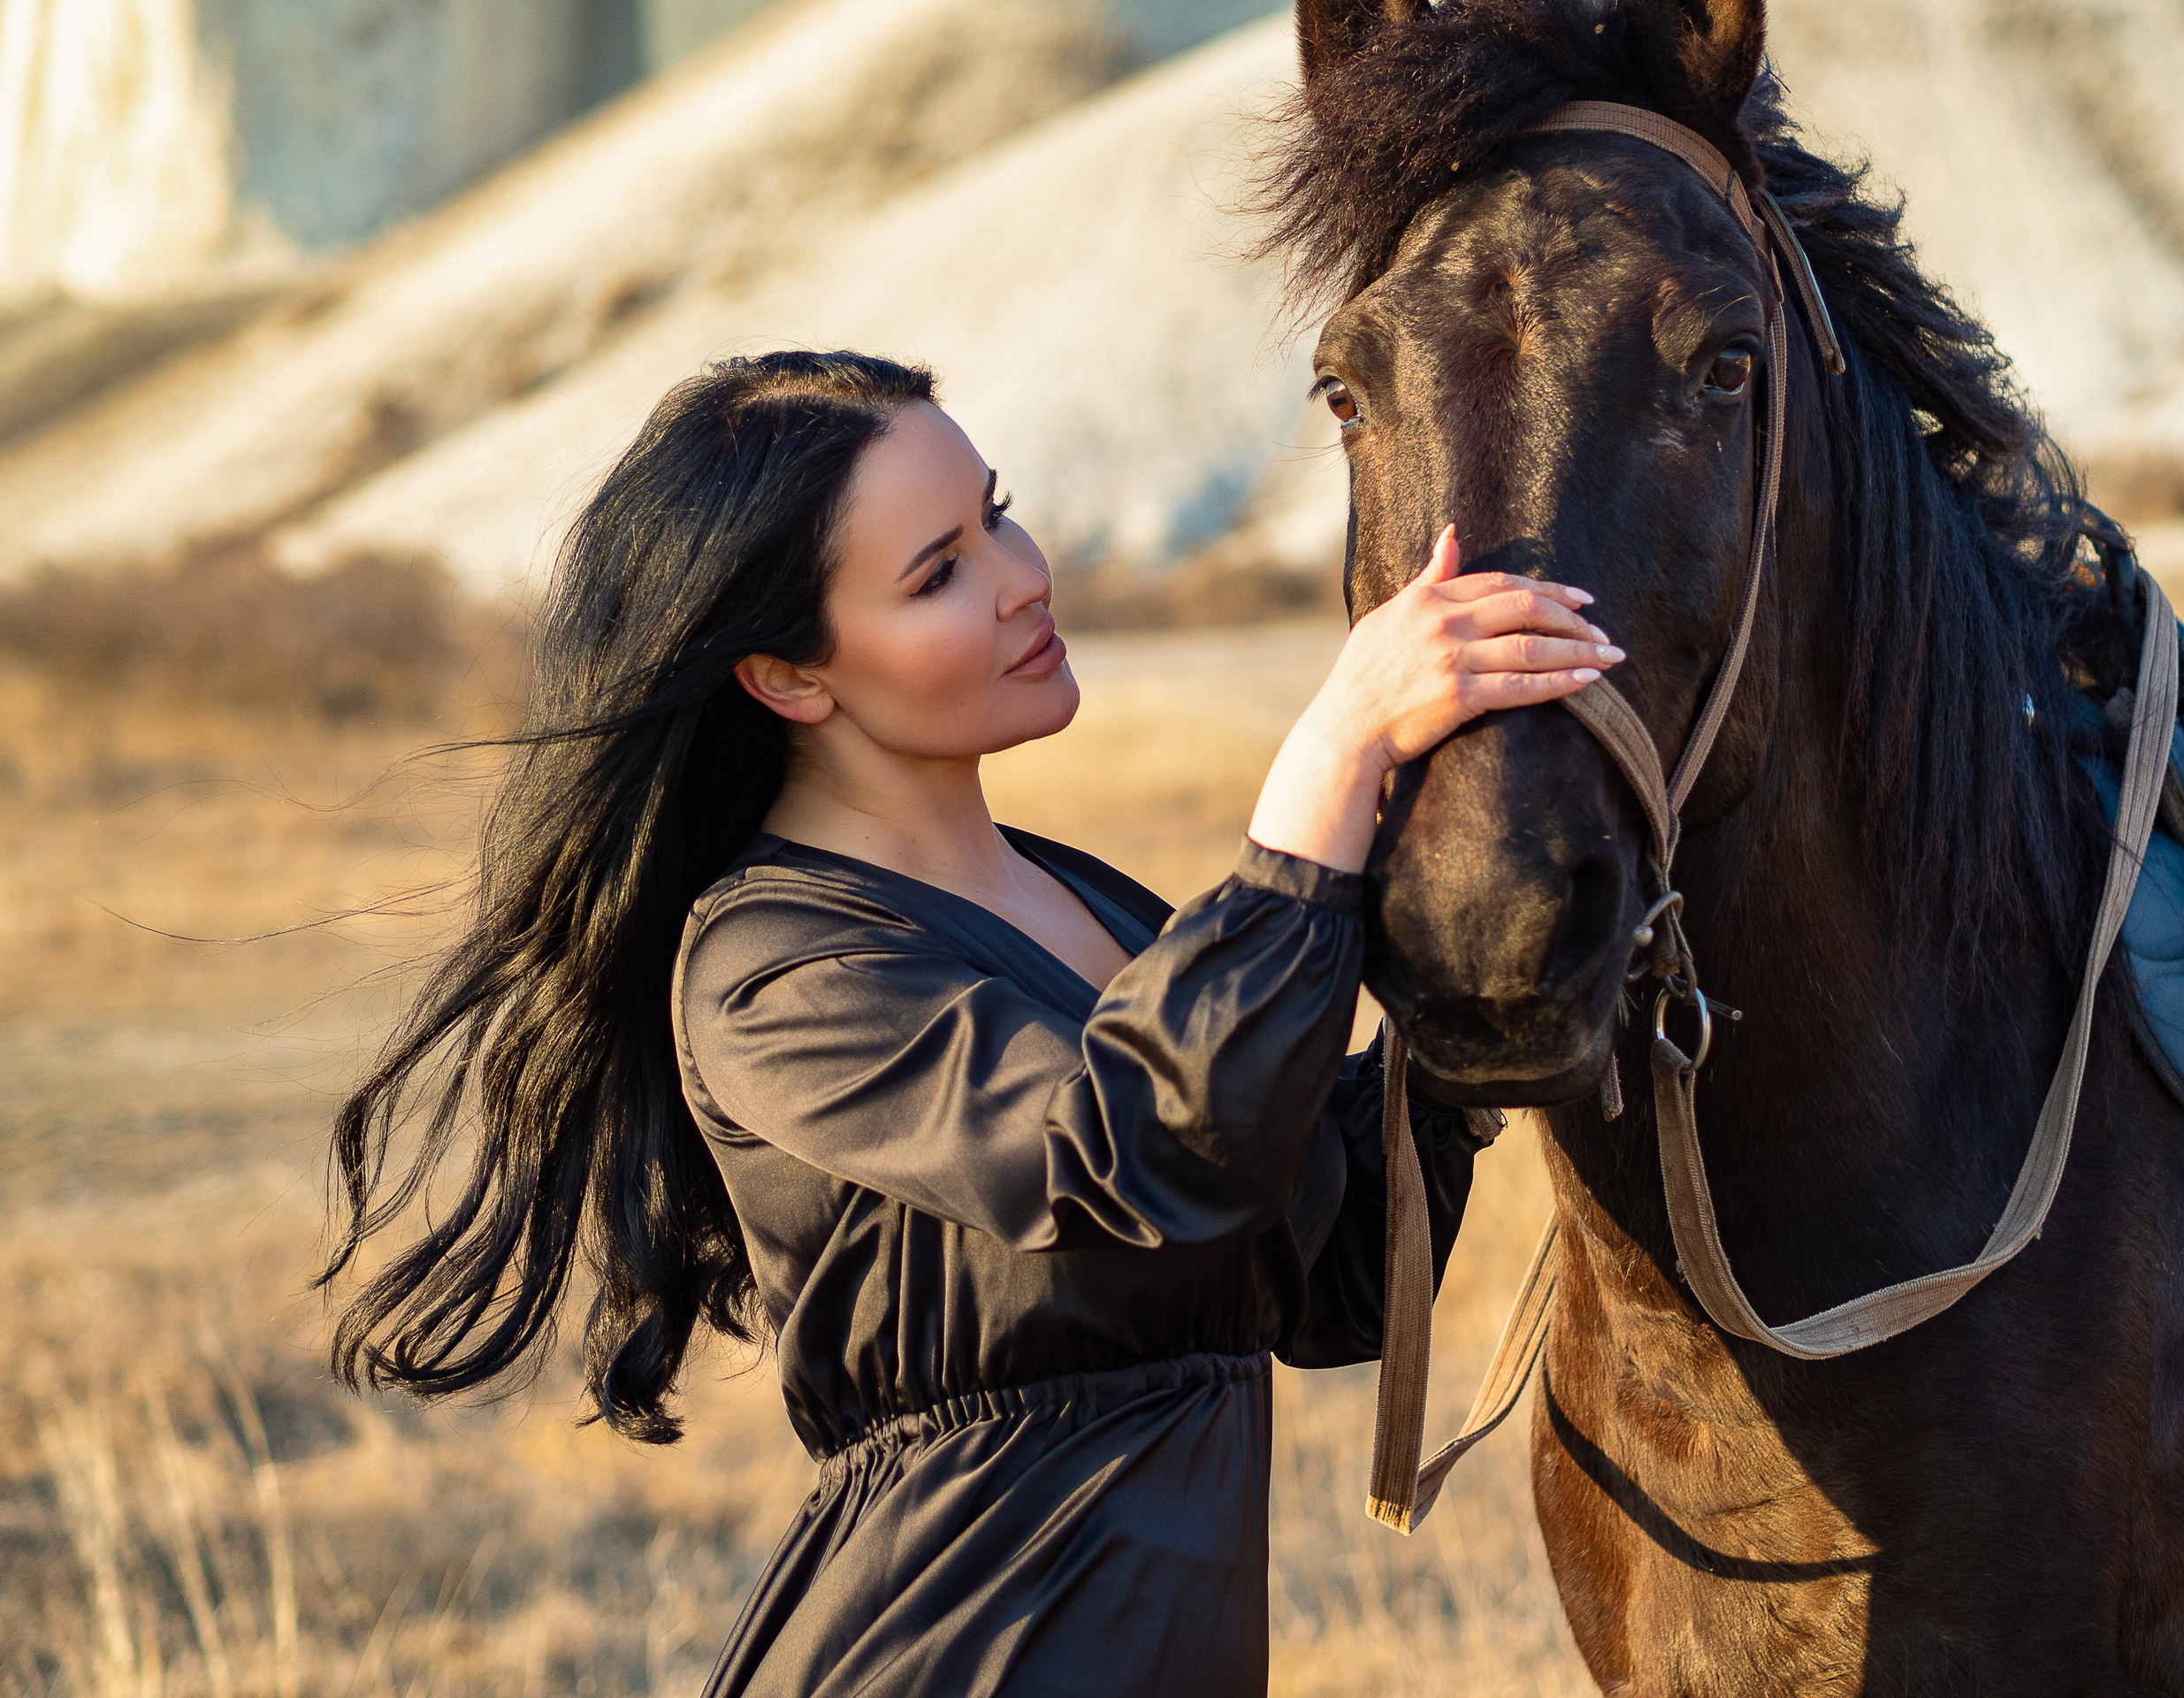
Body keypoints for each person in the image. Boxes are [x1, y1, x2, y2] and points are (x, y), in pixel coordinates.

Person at [321, 350, 1621, 1695]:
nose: (1020, 575)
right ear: (789, 679)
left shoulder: (1096, 905)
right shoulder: (770, 970)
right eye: (937, 571)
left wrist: (1478, 1022)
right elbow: (1133, 1159)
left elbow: (1328, 1276)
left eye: (996, 513)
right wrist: (1333, 759)